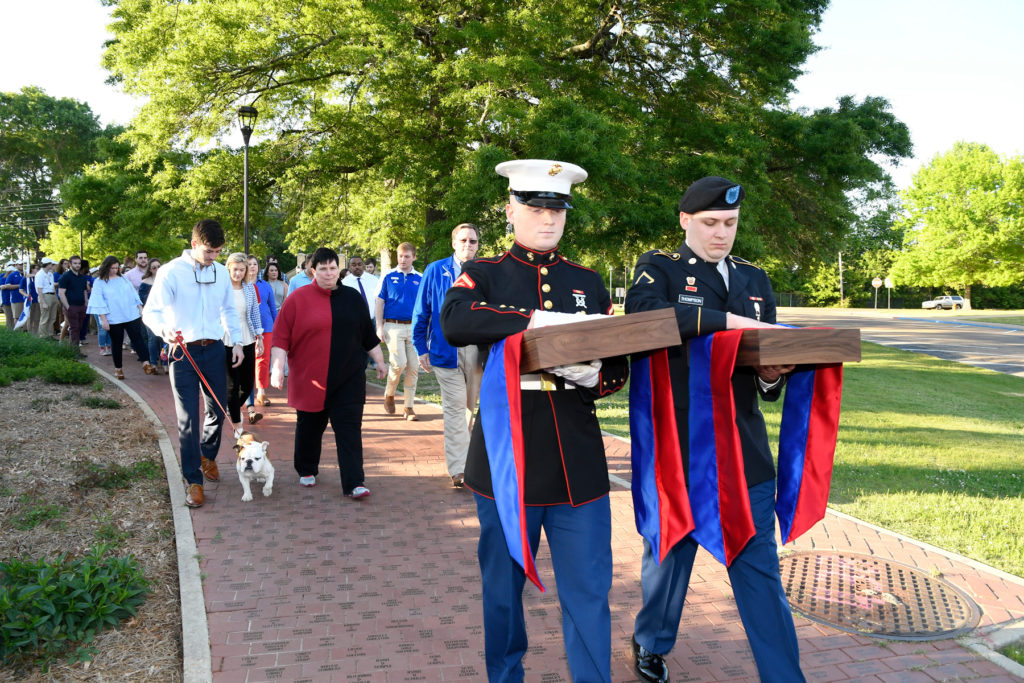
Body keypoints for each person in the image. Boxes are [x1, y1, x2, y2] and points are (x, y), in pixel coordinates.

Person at [440, 159, 629, 682]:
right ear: (511, 210)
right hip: (506, 458)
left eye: (556, 210)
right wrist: (537, 327)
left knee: (590, 591)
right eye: (535, 208)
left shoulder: (586, 282)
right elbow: (455, 320)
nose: (547, 220)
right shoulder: (486, 274)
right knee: (502, 591)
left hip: (577, 459)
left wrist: (593, 375)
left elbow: (617, 367)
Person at [625, 176, 798, 683]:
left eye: (730, 224)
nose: (721, 234)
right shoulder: (658, 269)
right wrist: (728, 322)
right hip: (677, 448)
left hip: (743, 451)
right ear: (685, 221)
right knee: (669, 557)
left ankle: (784, 674)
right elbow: (646, 318)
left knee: (759, 569)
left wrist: (770, 378)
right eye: (710, 223)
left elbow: (769, 366)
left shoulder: (755, 280)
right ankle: (651, 643)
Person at [142, 219, 245, 509]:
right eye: (210, 251)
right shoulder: (171, 271)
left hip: (214, 349)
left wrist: (236, 342)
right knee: (188, 417)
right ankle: (194, 480)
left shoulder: (221, 274)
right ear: (194, 244)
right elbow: (151, 312)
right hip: (182, 352)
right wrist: (165, 331)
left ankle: (207, 456)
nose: (214, 257)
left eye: (218, 252)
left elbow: (227, 308)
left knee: (217, 408)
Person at [269, 247, 386, 498]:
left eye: (333, 268)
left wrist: (379, 360)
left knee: (349, 429)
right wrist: (277, 369)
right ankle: (307, 468)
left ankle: (355, 482)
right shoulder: (297, 299)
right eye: (323, 269)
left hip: (349, 376)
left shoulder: (353, 298)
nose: (329, 273)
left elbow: (367, 334)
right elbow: (281, 337)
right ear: (313, 270)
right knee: (310, 427)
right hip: (311, 378)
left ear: (338, 270)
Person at [412, 223, 483, 487]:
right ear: (454, 243)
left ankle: (468, 460)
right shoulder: (435, 270)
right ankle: (460, 469)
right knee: (455, 409)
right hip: (445, 351)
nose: (468, 245)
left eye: (473, 241)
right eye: (463, 240)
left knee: (469, 410)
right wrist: (421, 348)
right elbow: (422, 311)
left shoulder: (485, 271)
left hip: (476, 351)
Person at [87, 256, 156, 380]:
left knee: (138, 338)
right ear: (106, 267)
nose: (114, 270)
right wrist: (103, 319)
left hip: (130, 314)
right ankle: (118, 369)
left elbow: (133, 293)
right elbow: (98, 301)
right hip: (113, 317)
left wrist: (140, 307)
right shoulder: (99, 282)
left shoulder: (123, 278)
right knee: (117, 343)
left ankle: (146, 363)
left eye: (116, 267)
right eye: (112, 268)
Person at [375, 242, 422, 420]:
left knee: (413, 367)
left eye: (407, 256)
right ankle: (389, 394)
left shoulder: (420, 277)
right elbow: (379, 302)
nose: (403, 260)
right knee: (399, 363)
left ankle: (409, 407)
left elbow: (424, 305)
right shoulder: (387, 276)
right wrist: (379, 326)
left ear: (413, 257)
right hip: (393, 326)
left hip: (414, 327)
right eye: (400, 256)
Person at [223, 253, 265, 426]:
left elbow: (255, 312)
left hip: (247, 336)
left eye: (242, 270)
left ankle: (231, 406)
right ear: (228, 269)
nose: (238, 273)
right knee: (232, 383)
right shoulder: (222, 288)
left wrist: (259, 336)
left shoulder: (249, 289)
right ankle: (236, 422)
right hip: (226, 338)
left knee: (247, 384)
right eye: (235, 269)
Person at [247, 255, 277, 407]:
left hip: (266, 326)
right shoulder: (240, 285)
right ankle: (245, 392)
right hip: (246, 327)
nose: (252, 266)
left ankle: (261, 392)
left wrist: (276, 326)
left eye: (255, 264)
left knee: (263, 360)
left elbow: (272, 307)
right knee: (247, 359)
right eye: (249, 264)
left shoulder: (265, 285)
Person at [138, 258, 166, 371]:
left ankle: (165, 362)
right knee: (153, 338)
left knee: (164, 339)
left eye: (159, 266)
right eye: (154, 267)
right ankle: (153, 362)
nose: (157, 269)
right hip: (151, 314)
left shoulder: (165, 280)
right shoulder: (145, 283)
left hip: (165, 314)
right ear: (150, 269)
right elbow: (142, 300)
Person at [57, 255, 90, 346]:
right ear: (70, 264)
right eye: (75, 263)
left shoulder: (82, 277)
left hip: (81, 306)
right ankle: (73, 351)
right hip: (71, 306)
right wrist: (68, 307)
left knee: (79, 328)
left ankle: (75, 350)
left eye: (79, 263)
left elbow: (84, 291)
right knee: (74, 328)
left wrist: (86, 303)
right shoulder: (65, 276)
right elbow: (61, 293)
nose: (77, 265)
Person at [340, 254, 380, 323]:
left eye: (359, 264)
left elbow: (379, 299)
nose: (357, 267)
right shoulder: (344, 283)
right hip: (354, 322)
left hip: (373, 321)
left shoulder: (374, 280)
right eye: (354, 265)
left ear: (363, 265)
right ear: (349, 267)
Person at [35, 258, 59, 339]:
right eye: (51, 264)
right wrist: (43, 302)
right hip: (45, 295)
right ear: (47, 264)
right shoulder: (40, 274)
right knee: (45, 317)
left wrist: (56, 298)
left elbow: (52, 286)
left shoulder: (50, 274)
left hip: (52, 295)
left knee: (52, 317)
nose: (52, 266)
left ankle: (50, 335)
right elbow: (39, 289)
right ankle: (42, 336)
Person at [2, 262, 26, 329]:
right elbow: (4, 286)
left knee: (20, 316)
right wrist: (19, 286)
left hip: (21, 298)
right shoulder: (5, 276)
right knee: (12, 317)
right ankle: (12, 331)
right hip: (10, 299)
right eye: (10, 265)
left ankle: (20, 330)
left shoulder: (21, 274)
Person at [20, 264, 39, 335]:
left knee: (37, 318)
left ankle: (36, 333)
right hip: (29, 300)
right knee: (30, 317)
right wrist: (26, 295)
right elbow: (21, 290)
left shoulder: (37, 278)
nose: (37, 270)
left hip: (37, 300)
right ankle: (29, 332)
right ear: (32, 269)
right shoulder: (25, 279)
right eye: (36, 269)